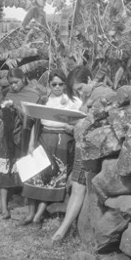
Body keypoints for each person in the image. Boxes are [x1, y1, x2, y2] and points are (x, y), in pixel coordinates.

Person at [20, 69, 81, 227]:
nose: (58, 87)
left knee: (52, 176)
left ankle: (38, 215)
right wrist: (31, 144)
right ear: (49, 85)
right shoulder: (43, 100)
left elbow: (79, 121)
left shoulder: (72, 101)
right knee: (35, 174)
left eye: (61, 84)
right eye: (54, 84)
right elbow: (35, 123)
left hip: (62, 141)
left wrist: (70, 126)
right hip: (44, 138)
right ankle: (30, 213)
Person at [51, 65, 96, 245]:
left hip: (89, 149)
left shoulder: (98, 96)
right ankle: (63, 229)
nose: (78, 93)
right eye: (75, 91)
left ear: (89, 81)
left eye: (79, 89)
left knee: (78, 187)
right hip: (81, 147)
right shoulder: (86, 99)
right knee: (77, 186)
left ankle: (62, 231)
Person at [0, 68, 40, 219]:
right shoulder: (9, 94)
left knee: (25, 167)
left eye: (16, 82)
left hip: (25, 135)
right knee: (5, 167)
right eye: (11, 83)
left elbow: (33, 116)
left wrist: (17, 108)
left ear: (24, 78)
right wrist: (5, 110)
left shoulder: (33, 95)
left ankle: (28, 204)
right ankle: (3, 207)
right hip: (7, 135)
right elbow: (1, 115)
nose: (13, 86)